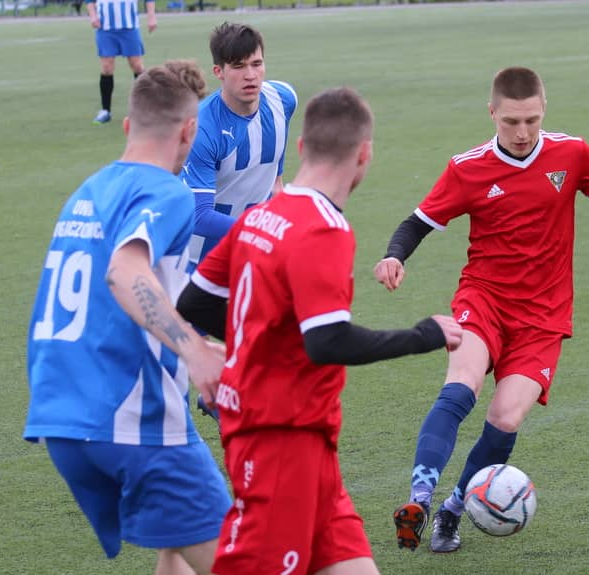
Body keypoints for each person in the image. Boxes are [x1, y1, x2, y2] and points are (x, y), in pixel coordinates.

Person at [375, 67, 589, 553]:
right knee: (462, 384)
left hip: (543, 316)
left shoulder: (572, 154)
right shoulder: (467, 168)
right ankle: (419, 499)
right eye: (511, 121)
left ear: (544, 110)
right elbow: (418, 222)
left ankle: (452, 510)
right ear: (492, 113)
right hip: (483, 300)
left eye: (531, 120)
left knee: (506, 418)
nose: (522, 132)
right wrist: (395, 255)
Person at [176, 87, 463, 575]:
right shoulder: (324, 227)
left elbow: (194, 303)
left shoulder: (257, 217)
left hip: (308, 442)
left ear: (301, 146)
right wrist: (423, 335)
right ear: (365, 154)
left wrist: (264, 340)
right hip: (281, 440)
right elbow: (327, 341)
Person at [24, 60, 232, 575]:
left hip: (63, 418)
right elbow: (124, 271)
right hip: (130, 420)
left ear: (126, 126)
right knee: (242, 563)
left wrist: (195, 345)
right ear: (189, 131)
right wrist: (193, 350)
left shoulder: (88, 192)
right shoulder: (168, 191)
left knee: (176, 547)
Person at [180, 22, 298, 272]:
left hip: (256, 254)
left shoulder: (283, 100)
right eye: (238, 66)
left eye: (256, 64)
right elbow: (199, 216)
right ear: (219, 71)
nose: (250, 75)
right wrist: (263, 231)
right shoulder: (202, 128)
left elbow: (275, 181)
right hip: (200, 262)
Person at [86, 0, 157, 125]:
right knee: (106, 67)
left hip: (129, 27)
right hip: (105, 28)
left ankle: (143, 108)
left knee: (137, 66)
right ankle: (105, 111)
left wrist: (151, 17)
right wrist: (93, 16)